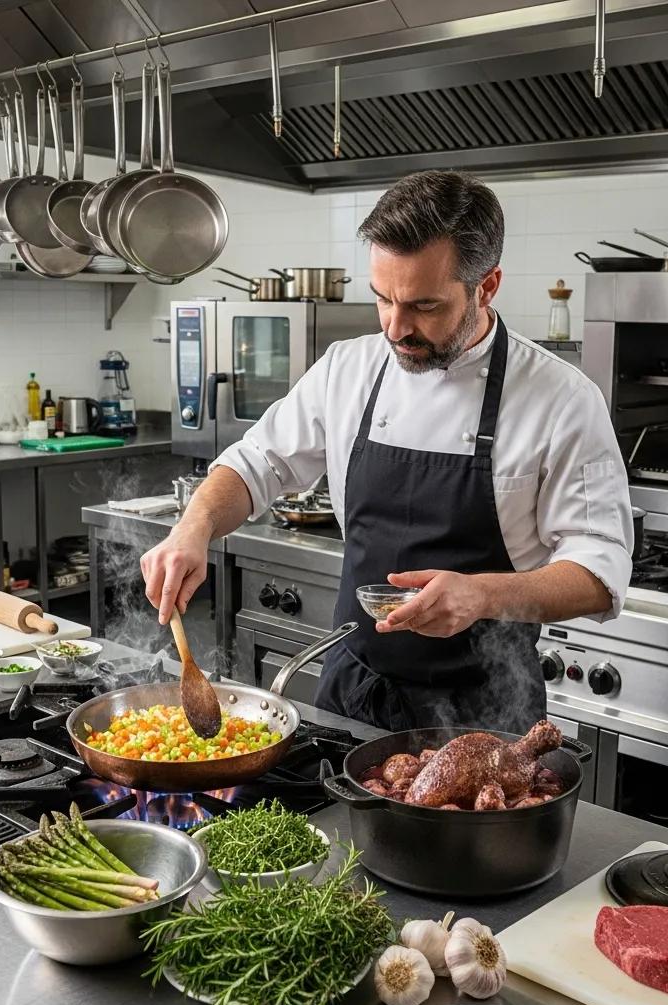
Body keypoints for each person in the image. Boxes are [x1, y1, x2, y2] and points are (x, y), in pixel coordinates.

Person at [142, 170, 633, 733]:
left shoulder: (562, 398)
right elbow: (257, 464)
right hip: (352, 689)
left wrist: (480, 595)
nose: (396, 328)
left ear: (487, 286)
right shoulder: (348, 368)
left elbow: (600, 570)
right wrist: (194, 526)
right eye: (383, 299)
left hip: (484, 711)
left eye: (425, 305)